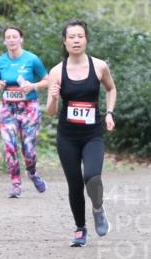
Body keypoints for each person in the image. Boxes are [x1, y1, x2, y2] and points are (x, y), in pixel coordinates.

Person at [45, 20, 117, 247]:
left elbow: (111, 88)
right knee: (75, 183)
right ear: (64, 42)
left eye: (80, 36)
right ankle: (80, 229)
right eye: (71, 37)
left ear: (86, 39)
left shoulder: (99, 67)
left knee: (92, 177)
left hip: (92, 135)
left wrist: (109, 113)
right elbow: (51, 111)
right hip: (67, 137)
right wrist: (55, 97)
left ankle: (98, 208)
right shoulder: (57, 71)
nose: (76, 40)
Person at [0, 26, 49, 198]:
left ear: (21, 39)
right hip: (7, 107)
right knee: (9, 146)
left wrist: (34, 85)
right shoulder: (0, 61)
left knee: (28, 149)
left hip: (29, 107)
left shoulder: (32, 59)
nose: (11, 40)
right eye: (8, 37)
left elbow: (47, 80)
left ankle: (32, 172)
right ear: (4, 41)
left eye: (15, 36)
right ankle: (15, 183)